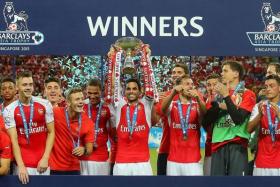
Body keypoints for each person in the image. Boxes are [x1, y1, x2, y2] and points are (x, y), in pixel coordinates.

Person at [203, 61, 256, 176]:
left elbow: (238, 119)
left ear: (236, 74)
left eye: (225, 71)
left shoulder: (248, 94)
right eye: (222, 71)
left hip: (237, 144)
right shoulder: (217, 94)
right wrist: (218, 105)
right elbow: (205, 123)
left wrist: (226, 97)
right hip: (217, 144)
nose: (221, 73)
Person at [3, 71, 55, 184]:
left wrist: (45, 158)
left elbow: (51, 132)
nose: (28, 88)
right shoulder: (9, 110)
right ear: (17, 87)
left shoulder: (45, 104)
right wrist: (21, 165)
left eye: (30, 84)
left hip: (43, 163)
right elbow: (14, 140)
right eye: (24, 85)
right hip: (22, 165)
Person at [161, 75, 205, 176]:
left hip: (193, 161)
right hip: (173, 161)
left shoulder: (197, 105)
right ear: (179, 87)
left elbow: (204, 113)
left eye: (192, 84)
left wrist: (198, 98)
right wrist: (173, 93)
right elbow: (163, 109)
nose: (191, 87)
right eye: (187, 84)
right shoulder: (173, 105)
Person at [153, 63, 189, 175]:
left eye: (179, 72)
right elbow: (154, 120)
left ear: (186, 75)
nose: (175, 75)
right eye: (173, 72)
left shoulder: (195, 96)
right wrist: (152, 103)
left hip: (188, 151)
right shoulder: (164, 97)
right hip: (166, 149)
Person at [113, 78, 153, 176]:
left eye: (134, 88)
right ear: (124, 91)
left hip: (143, 164)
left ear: (140, 91)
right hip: (121, 164)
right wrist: (116, 63)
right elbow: (114, 84)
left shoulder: (146, 105)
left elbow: (149, 80)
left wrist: (144, 62)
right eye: (128, 88)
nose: (131, 91)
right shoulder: (119, 106)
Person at [50, 87, 94, 175]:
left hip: (74, 168)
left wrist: (84, 150)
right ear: (68, 103)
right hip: (54, 167)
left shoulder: (88, 122)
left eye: (82, 99)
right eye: (77, 99)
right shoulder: (56, 113)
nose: (81, 102)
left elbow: (90, 149)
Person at [80, 79, 116, 175]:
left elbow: (114, 133)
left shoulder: (107, 107)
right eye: (89, 93)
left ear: (101, 91)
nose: (92, 96)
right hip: (82, 157)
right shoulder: (80, 106)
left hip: (101, 157)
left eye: (96, 93)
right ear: (86, 91)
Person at [248, 75, 280, 176]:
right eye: (266, 86)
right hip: (261, 163)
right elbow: (248, 129)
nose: (268, 89)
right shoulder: (259, 106)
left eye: (272, 86)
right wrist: (260, 115)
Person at [202, 73, 220, 176]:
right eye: (209, 85)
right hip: (209, 148)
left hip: (222, 149)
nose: (211, 87)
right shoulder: (205, 102)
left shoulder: (226, 99)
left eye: (215, 84)